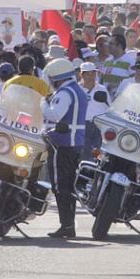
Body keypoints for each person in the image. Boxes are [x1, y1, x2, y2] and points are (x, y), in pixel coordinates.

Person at [41, 58, 88, 238]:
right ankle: (68, 225)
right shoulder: (78, 91)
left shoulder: (65, 92)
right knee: (69, 185)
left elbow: (55, 114)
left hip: (62, 143)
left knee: (60, 185)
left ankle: (66, 225)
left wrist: (44, 103)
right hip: (75, 143)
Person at [79, 62, 111, 161]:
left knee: (98, 157)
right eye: (88, 74)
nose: (91, 76)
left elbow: (109, 108)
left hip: (99, 127)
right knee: (83, 156)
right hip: (82, 127)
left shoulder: (102, 89)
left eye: (93, 73)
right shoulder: (76, 89)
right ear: (82, 74)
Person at [101, 34, 136, 98]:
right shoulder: (107, 61)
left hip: (122, 100)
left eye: (111, 44)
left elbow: (135, 81)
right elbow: (101, 80)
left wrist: (118, 85)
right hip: (107, 101)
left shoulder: (130, 61)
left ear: (119, 46)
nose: (108, 46)